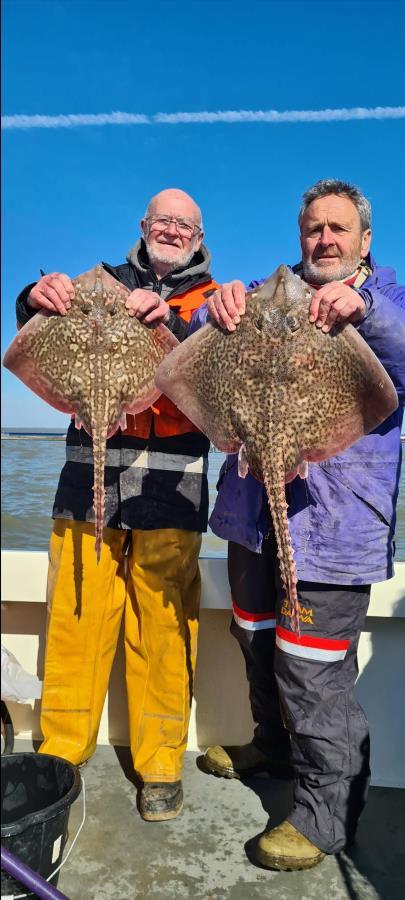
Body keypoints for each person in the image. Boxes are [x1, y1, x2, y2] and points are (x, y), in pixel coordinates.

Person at [191, 180, 405, 868]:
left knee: (313, 675)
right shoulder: (267, 291)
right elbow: (194, 347)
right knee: (255, 644)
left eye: (338, 229)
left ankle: (323, 817)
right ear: (300, 235)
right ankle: (272, 749)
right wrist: (215, 308)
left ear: (363, 241)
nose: (324, 240)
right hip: (252, 516)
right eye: (313, 228)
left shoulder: (387, 298)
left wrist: (364, 308)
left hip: (336, 530)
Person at [15, 188, 219, 822]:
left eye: (185, 225)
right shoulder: (96, 284)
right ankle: (61, 755)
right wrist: (32, 296)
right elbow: (36, 325)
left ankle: (160, 764)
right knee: (76, 618)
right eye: (164, 221)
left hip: (172, 490)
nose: (173, 231)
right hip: (88, 481)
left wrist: (171, 324)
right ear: (143, 226)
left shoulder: (217, 301)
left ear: (200, 234)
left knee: (163, 631)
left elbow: (215, 366)